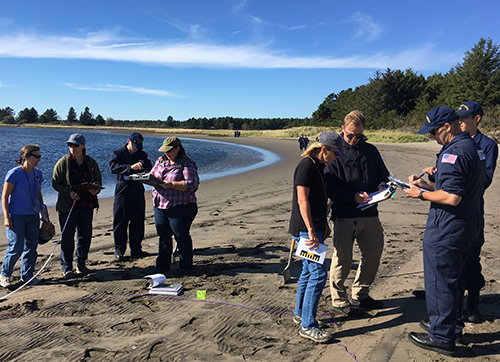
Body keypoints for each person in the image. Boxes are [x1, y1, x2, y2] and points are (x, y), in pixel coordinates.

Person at [404, 106, 486, 356]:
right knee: (455, 278)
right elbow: (457, 185)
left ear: (447, 127)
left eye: (433, 132)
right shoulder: (474, 147)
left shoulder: (454, 153)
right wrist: (427, 184)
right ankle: (452, 326)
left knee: (441, 281)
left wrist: (421, 193)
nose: (431, 137)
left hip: (448, 227)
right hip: (468, 224)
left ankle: (441, 336)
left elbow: (452, 197)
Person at [324, 110, 389, 317]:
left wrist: (381, 189)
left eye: (358, 135)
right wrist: (352, 197)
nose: (354, 139)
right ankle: (339, 300)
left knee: (373, 253)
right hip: (344, 213)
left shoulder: (370, 150)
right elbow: (329, 188)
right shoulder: (333, 153)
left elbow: (383, 176)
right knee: (342, 257)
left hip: (370, 212)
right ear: (342, 129)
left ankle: (360, 293)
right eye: (350, 135)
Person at [290, 131, 342, 343]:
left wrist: (324, 225)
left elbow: (319, 200)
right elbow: (303, 201)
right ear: (324, 150)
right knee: (318, 274)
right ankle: (308, 325)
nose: (336, 157)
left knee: (307, 271)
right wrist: (311, 230)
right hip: (306, 229)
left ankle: (300, 313)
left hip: (316, 227)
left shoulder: (319, 166)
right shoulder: (306, 166)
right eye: (335, 153)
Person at [457, 101, 498, 322]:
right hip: (450, 206)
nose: (460, 121)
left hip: (472, 207)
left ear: (477, 119)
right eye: (458, 118)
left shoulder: (488, 145)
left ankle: (473, 303)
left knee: (472, 254)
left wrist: (457, 187)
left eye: (465, 118)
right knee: (451, 255)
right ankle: (450, 297)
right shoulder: (454, 140)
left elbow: (486, 179)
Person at [52, 133, 102, 279]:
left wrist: (96, 189)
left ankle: (81, 264)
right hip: (68, 206)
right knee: (67, 236)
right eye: (69, 145)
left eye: (74, 145)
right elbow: (55, 183)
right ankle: (67, 268)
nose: (71, 147)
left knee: (85, 236)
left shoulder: (91, 163)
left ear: (83, 146)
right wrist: (69, 193)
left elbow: (98, 180)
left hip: (87, 204)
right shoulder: (63, 162)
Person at [150, 136, 199, 275]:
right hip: (160, 205)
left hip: (180, 206)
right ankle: (162, 265)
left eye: (169, 150)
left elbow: (191, 183)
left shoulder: (186, 163)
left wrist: (170, 185)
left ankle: (185, 266)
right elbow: (151, 175)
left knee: (181, 236)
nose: (166, 153)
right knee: (163, 237)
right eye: (165, 150)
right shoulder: (160, 161)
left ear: (178, 148)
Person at [1, 145, 45, 287]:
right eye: (36, 156)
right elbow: (5, 196)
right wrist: (6, 217)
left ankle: (27, 275)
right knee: (16, 247)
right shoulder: (14, 173)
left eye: (39, 156)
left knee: (31, 247)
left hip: (33, 216)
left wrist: (43, 212)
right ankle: (5, 275)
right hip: (16, 216)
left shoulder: (38, 173)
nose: (39, 159)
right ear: (25, 156)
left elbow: (38, 194)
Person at [109, 132, 153, 261]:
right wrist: (130, 167)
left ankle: (136, 249)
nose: (135, 149)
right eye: (133, 145)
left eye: (138, 146)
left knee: (138, 220)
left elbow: (149, 168)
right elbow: (113, 167)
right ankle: (119, 251)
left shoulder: (142, 154)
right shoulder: (117, 153)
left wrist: (144, 170)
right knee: (120, 221)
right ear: (128, 141)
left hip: (138, 188)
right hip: (123, 189)